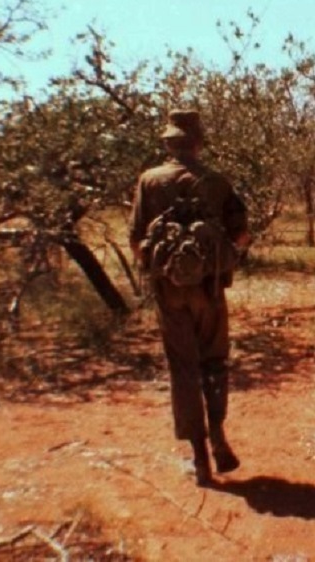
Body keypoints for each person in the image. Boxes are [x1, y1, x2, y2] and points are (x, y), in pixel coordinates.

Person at [129, 109, 249, 486]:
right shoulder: (215, 182)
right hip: (210, 291)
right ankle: (218, 434)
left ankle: (199, 459)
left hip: (170, 292)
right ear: (198, 143)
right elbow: (241, 235)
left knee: (183, 368)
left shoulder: (148, 181)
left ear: (168, 143)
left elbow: (135, 241)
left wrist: (164, 265)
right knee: (214, 362)